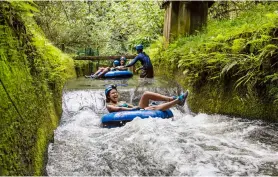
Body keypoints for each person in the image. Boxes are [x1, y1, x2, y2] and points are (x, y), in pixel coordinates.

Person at [105, 84, 188, 113]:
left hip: (135, 111)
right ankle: (177, 101)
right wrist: (131, 110)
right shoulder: (109, 105)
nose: (115, 94)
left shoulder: (122, 101)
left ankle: (171, 99)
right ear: (108, 96)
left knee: (146, 94)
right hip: (130, 113)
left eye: (116, 92)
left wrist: (134, 108)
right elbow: (119, 109)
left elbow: (133, 107)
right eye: (113, 93)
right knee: (152, 108)